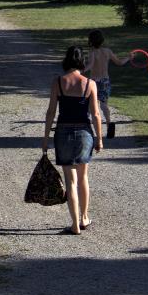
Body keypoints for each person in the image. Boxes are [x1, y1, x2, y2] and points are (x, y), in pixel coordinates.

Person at [42, 46, 103, 235]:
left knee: (70, 180)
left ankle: (75, 223)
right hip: (84, 133)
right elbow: (95, 114)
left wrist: (45, 138)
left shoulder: (58, 83)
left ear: (66, 61)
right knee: (83, 176)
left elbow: (51, 111)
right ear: (81, 62)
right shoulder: (89, 83)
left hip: (63, 132)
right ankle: (84, 217)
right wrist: (99, 138)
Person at [85, 30, 129, 139]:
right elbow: (119, 62)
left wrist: (81, 71)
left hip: (94, 82)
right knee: (104, 104)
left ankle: (85, 125)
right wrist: (129, 57)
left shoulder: (92, 52)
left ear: (90, 41)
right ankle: (109, 124)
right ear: (102, 41)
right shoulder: (107, 51)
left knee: (90, 105)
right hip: (105, 81)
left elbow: (90, 65)